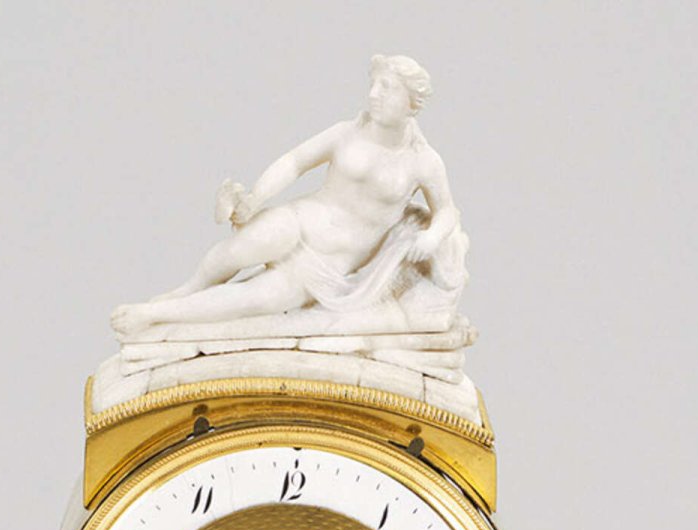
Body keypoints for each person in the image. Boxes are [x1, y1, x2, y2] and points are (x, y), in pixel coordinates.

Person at [112, 55, 467, 339]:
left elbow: (447, 210)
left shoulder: (423, 161)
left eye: (387, 88)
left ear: (412, 103)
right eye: (373, 85)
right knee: (237, 252)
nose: (374, 94)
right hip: (300, 221)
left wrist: (432, 236)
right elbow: (295, 162)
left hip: (331, 263)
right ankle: (185, 291)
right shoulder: (345, 134)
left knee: (256, 299)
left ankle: (154, 314)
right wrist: (255, 199)